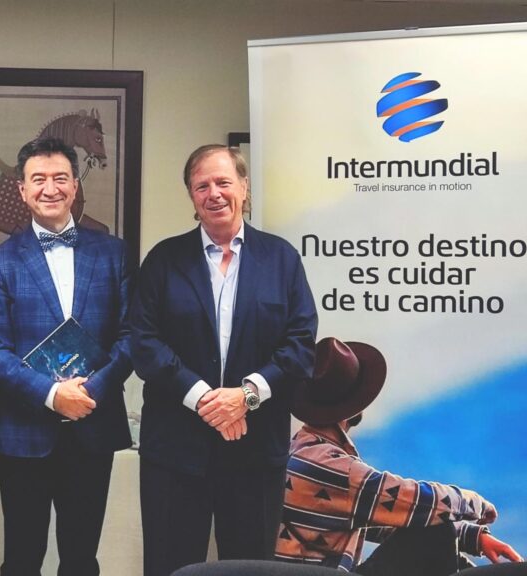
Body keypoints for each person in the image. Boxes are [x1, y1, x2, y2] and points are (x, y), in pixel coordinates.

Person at [129, 144, 318, 575]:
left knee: (251, 568)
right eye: (202, 186)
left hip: (255, 449)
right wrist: (204, 399)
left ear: (244, 187)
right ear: (191, 196)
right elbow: (145, 342)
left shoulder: (281, 259)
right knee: (170, 566)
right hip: (175, 452)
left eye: (223, 182)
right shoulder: (163, 260)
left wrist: (245, 396)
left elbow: (300, 344)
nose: (213, 194)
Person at [0, 137, 134, 576]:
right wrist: (51, 395)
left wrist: (91, 391)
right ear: (22, 190)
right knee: (21, 559)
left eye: (61, 178)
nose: (51, 188)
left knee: (81, 559)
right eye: (39, 179)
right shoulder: (0, 261)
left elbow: (132, 336)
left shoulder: (114, 253)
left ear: (75, 186)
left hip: (93, 423)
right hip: (24, 429)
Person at [276, 337, 523, 574]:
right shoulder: (331, 466)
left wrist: (473, 537)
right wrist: (476, 503)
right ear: (356, 406)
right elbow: (415, 499)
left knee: (432, 529)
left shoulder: (299, 450)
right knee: (434, 531)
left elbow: (384, 521)